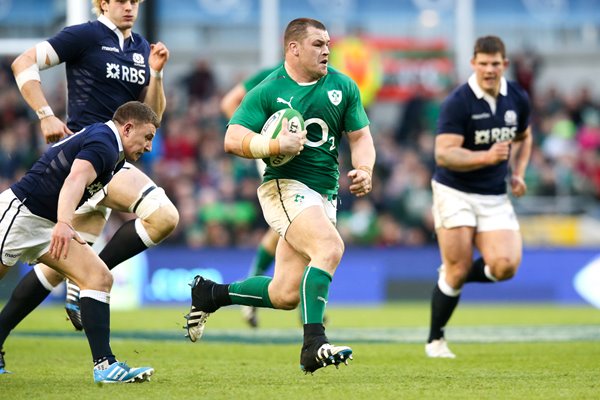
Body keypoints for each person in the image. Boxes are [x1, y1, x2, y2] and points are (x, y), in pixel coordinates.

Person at [187, 18, 376, 374]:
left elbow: (361, 138)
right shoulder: (267, 90)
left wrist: (365, 170)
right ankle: (313, 344)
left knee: (285, 294)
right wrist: (273, 144)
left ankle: (210, 294)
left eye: (327, 44)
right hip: (284, 187)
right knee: (330, 248)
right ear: (293, 48)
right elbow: (232, 138)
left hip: (324, 194)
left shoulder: (343, 85)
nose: (327, 50)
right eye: (318, 44)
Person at [0, 0, 178, 373]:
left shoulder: (142, 49)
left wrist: (157, 75)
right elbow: (22, 62)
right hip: (89, 151)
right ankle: (81, 290)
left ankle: (96, 352)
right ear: (101, 3)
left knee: (62, 271)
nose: (130, 7)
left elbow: (151, 118)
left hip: (111, 162)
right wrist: (45, 113)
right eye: (121, 0)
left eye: (135, 1)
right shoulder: (84, 35)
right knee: (163, 215)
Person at [0, 101, 159, 382]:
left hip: (46, 224)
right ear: (128, 127)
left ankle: (105, 366)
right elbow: (74, 180)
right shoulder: (105, 143)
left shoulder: (113, 148)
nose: (148, 146)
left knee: (98, 277)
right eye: (147, 137)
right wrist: (64, 222)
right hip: (21, 215)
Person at [426, 35, 532, 358]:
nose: (489, 69)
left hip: (493, 195)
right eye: (483, 63)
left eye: (495, 64)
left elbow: (525, 137)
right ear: (473, 64)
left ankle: (451, 273)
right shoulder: (458, 102)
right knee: (456, 271)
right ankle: (435, 340)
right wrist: (485, 157)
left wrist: (519, 173)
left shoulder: (517, 97)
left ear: (505, 65)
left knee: (505, 266)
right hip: (454, 191)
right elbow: (444, 154)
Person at [220, 64, 280, 328]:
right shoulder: (272, 76)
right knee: (298, 222)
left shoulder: (321, 81)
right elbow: (228, 103)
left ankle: (251, 287)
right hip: (275, 155)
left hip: (305, 159)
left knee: (284, 227)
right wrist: (256, 139)